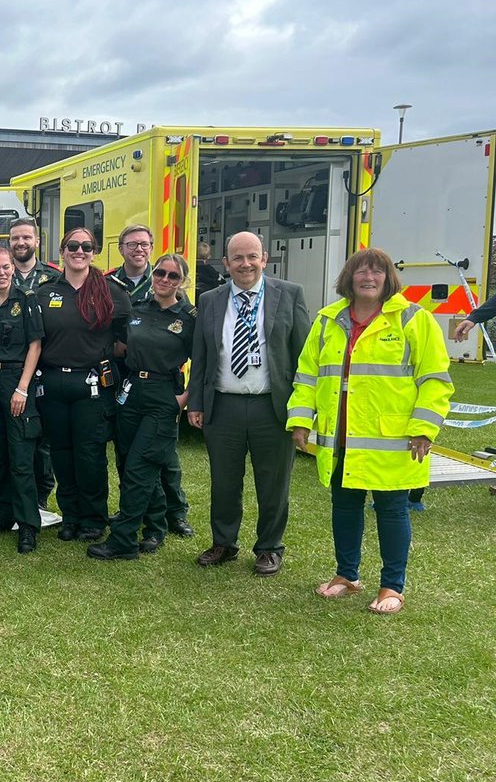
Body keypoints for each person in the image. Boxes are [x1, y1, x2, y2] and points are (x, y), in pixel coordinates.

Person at [289, 249, 453, 614]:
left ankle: (392, 587)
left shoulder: (414, 319)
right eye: (360, 271)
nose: (368, 277)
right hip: (341, 436)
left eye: (377, 271)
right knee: (344, 506)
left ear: (388, 278)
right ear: (348, 278)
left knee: (392, 510)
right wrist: (301, 419)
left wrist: (424, 429)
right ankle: (347, 576)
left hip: (394, 439)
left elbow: (435, 381)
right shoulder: (328, 320)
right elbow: (307, 375)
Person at [187, 231, 310, 577]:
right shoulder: (210, 299)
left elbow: (304, 357)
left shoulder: (289, 294)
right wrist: (196, 402)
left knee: (273, 483)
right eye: (237, 258)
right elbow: (202, 355)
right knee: (224, 481)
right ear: (225, 263)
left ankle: (270, 547)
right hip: (222, 406)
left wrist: (303, 410)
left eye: (252, 256)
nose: (245, 264)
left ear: (264, 258)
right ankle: (223, 543)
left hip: (271, 407)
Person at [89, 254, 195, 561]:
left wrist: (184, 399)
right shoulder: (137, 310)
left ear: (181, 282)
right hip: (131, 390)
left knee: (141, 465)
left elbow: (202, 363)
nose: (164, 279)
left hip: (164, 393)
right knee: (129, 463)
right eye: (160, 272)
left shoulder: (188, 318)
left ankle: (123, 540)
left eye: (173, 276)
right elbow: (120, 346)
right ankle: (155, 526)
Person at [37, 227, 130, 543]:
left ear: (95, 251)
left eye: (87, 246)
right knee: (61, 453)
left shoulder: (110, 291)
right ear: (62, 251)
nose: (80, 251)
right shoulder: (45, 292)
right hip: (52, 383)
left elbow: (126, 337)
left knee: (89, 454)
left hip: (91, 384)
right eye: (73, 245)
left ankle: (93, 518)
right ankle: (70, 516)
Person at [0, 245, 44, 553]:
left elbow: (35, 346)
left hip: (17, 381)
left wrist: (23, 388)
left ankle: (28, 524)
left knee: (21, 458)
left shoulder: (26, 300)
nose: (1, 272)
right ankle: (4, 513)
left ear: (13, 268)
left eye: (6, 267)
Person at [8, 217, 57, 509]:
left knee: (43, 439)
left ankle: (41, 494)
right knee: (15, 435)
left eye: (27, 237)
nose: (21, 243)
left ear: (37, 241)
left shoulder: (54, 277)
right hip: (13, 368)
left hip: (48, 367)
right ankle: (15, 492)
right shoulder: (0, 275)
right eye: (15, 238)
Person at [194, 240, 225, 305]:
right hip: (208, 302)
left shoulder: (190, 268)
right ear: (209, 257)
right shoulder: (212, 272)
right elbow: (222, 283)